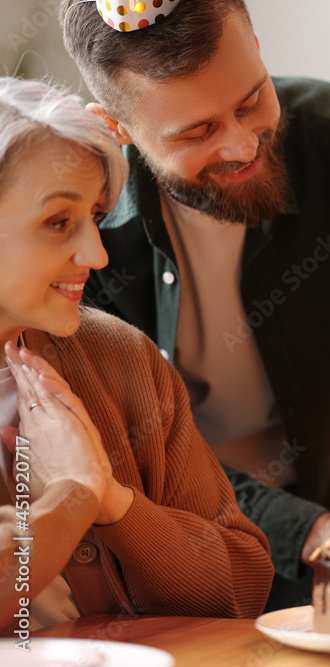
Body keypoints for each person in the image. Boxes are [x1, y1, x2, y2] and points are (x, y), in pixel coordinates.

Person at [58, 0, 330, 603]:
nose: (242, 145)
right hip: (173, 561)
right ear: (117, 128)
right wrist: (308, 531)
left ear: (259, 49)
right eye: (197, 131)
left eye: (250, 101)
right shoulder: (79, 236)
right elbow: (127, 461)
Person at [0, 77, 272, 629]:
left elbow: (242, 587)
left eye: (95, 218)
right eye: (58, 222)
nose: (96, 254)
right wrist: (76, 496)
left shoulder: (122, 357)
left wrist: (116, 506)